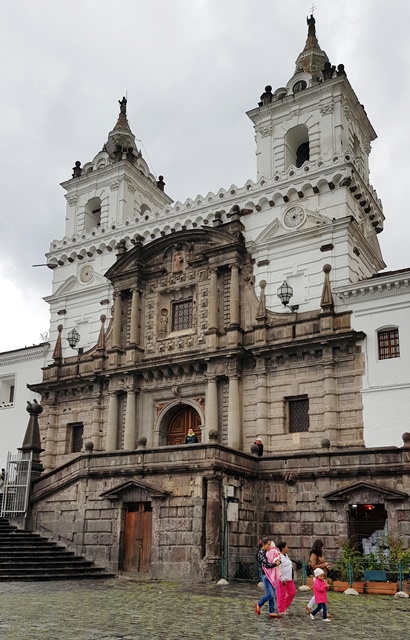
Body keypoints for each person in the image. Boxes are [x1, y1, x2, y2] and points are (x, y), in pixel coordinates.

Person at [254, 538, 282, 619]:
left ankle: (271, 611)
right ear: (263, 544)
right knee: (270, 594)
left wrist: (278, 561)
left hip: (271, 574)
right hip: (266, 575)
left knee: (273, 594)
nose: (269, 546)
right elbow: (266, 564)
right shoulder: (261, 553)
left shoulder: (268, 551)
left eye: (270, 544)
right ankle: (259, 604)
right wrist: (275, 564)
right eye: (268, 544)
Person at [306, 539, 331, 616]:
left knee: (319, 594)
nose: (323, 548)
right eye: (322, 546)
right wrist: (323, 565)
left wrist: (326, 566)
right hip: (318, 577)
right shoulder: (313, 555)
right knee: (320, 594)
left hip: (323, 575)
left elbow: (322, 562)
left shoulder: (320, 554)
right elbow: (313, 566)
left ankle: (309, 606)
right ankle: (324, 611)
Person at [276, 541, 297, 616]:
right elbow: (278, 568)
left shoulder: (285, 555)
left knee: (292, 592)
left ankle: (284, 606)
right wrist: (281, 578)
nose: (287, 548)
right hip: (283, 579)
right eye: (286, 547)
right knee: (281, 595)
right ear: (282, 548)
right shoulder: (279, 557)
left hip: (289, 578)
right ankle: (281, 610)